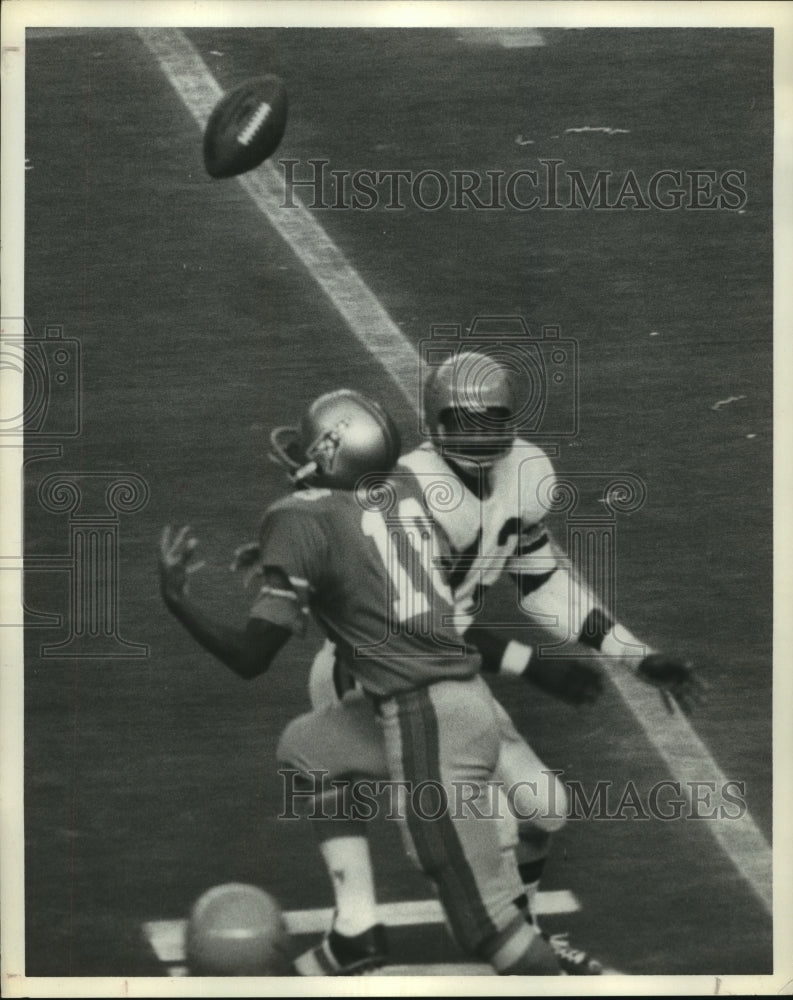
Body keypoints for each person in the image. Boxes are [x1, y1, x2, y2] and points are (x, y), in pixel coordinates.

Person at [263, 353, 705, 975]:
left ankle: (509, 932)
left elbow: (541, 579)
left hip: (451, 672)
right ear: (433, 422)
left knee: (545, 809)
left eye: (489, 419)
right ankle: (375, 928)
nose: (476, 435)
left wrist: (634, 655)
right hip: (380, 670)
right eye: (459, 420)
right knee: (478, 822)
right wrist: (535, 667)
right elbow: (426, 621)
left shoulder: (524, 471)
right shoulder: (410, 486)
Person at [159, 387, 585, 976]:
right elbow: (369, 550)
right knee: (308, 750)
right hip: (441, 703)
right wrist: (282, 557)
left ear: (330, 455)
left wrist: (176, 600)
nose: (294, 458)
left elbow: (252, 658)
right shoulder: (405, 491)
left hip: (430, 724)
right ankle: (357, 934)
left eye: (308, 450)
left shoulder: (298, 520)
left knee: (489, 931)